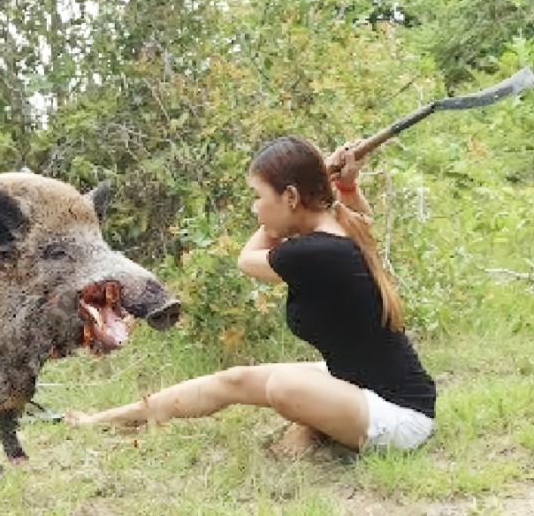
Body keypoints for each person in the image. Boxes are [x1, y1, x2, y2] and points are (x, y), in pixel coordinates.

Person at [66, 135, 437, 456]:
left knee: (283, 386)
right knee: (235, 379)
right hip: (361, 385)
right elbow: (353, 214)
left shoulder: (314, 252)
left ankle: (318, 428)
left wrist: (305, 196)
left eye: (258, 197)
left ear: (290, 196)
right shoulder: (338, 226)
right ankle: (104, 420)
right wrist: (343, 186)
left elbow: (247, 259)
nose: (254, 208)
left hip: (400, 417)